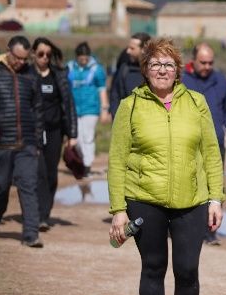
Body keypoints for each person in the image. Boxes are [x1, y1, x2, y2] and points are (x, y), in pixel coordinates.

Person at [107, 38, 224, 295]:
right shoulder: (130, 105)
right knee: (154, 267)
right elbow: (116, 160)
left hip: (192, 200)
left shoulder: (197, 102)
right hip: (145, 199)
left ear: (178, 71)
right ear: (144, 69)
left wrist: (216, 197)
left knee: (187, 270)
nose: (162, 70)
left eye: (168, 64)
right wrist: (118, 210)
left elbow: (211, 153)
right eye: (155, 64)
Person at [181, 42, 226, 246]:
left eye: (210, 62)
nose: (207, 66)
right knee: (188, 183)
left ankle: (210, 231)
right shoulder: (181, 80)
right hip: (186, 144)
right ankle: (184, 226)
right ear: (193, 61)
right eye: (203, 62)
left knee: (214, 185)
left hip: (214, 143)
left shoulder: (220, 80)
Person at [0, 35, 44, 247]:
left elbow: (38, 109)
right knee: (0, 186)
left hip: (27, 143)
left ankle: (31, 234)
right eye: (18, 58)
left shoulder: (31, 75)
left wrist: (37, 140)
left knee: (28, 186)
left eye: (26, 59)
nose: (22, 63)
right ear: (9, 52)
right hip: (2, 143)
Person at [31, 37, 77, 230]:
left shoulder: (58, 75)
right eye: (41, 54)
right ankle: (36, 213)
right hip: (32, 132)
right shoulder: (26, 75)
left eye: (48, 55)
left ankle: (44, 214)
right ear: (33, 53)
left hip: (54, 131)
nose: (44, 58)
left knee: (50, 173)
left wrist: (72, 134)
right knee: (37, 173)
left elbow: (68, 105)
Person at [67, 42, 109, 178]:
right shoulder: (69, 68)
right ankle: (82, 162)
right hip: (73, 109)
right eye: (81, 59)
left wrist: (104, 109)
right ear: (77, 57)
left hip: (91, 109)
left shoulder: (96, 69)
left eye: (86, 58)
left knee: (88, 137)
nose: (84, 61)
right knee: (76, 139)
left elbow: (102, 90)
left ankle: (87, 167)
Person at [109, 32, 151, 117]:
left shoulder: (155, 70)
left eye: (132, 48)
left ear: (143, 49)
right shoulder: (124, 69)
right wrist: (116, 117)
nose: (127, 51)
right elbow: (115, 96)